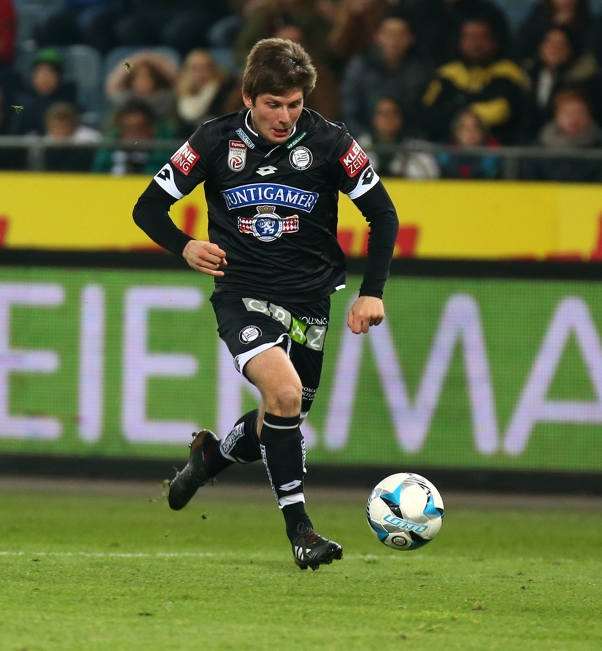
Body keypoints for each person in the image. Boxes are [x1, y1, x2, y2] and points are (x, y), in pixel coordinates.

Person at [131, 38, 399, 570]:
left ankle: (210, 457)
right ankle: (301, 532)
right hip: (242, 295)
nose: (284, 116)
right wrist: (184, 245)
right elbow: (147, 207)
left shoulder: (331, 143)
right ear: (249, 96)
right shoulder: (213, 140)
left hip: (311, 300)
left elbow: (383, 216)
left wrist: (372, 292)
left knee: (282, 415)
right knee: (284, 391)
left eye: (294, 104)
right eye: (273, 104)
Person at [421, 18, 528, 144]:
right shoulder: (446, 74)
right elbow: (428, 112)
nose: (476, 44)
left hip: (498, 149)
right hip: (445, 148)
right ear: (460, 42)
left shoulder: (509, 72)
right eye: (469, 37)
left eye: (482, 37)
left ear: (494, 42)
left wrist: (460, 112)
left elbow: (501, 111)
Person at [340, 13, 433, 138]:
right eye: (389, 34)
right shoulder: (361, 67)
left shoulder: (420, 72)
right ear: (377, 36)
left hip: (409, 143)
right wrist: (362, 137)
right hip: (362, 140)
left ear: (410, 39)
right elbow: (349, 110)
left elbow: (423, 114)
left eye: (401, 34)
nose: (395, 40)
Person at [523, 88, 602, 182]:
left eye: (579, 113)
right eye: (568, 113)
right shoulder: (536, 150)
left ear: (589, 115)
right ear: (556, 116)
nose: (574, 119)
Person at [358, 97, 439, 178]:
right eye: (384, 114)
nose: (389, 119)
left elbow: (431, 178)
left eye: (394, 113)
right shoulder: (359, 147)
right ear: (374, 118)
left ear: (401, 118)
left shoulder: (418, 150)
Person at [93, 98, 174, 175]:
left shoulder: (164, 154)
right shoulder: (107, 152)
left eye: (139, 129)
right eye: (128, 129)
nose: (133, 136)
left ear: (151, 129)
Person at [12, 48, 79, 135]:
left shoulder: (69, 104)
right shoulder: (21, 103)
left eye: (50, 73)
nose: (44, 78)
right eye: (39, 72)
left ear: (59, 77)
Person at [104, 50, 179, 126]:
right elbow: (112, 84)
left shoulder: (164, 99)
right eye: (138, 77)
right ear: (131, 82)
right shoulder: (126, 98)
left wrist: (153, 60)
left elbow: (177, 80)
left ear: (155, 81)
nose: (143, 81)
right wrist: (137, 60)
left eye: (148, 77)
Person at [174, 49, 234, 133]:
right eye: (195, 69)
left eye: (204, 68)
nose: (200, 73)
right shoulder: (180, 97)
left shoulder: (225, 92)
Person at [515, 0, 592, 62]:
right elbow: (521, 48)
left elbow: (589, 52)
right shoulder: (536, 17)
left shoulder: (589, 21)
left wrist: (569, 28)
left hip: (575, 69)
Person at [436, 108, 501, 178]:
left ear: (482, 132)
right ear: (457, 132)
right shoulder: (444, 160)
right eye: (465, 127)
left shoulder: (494, 160)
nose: (471, 132)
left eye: (475, 127)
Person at [43, 101, 101, 172]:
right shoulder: (42, 143)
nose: (60, 130)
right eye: (56, 126)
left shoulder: (90, 139)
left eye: (64, 126)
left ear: (73, 125)